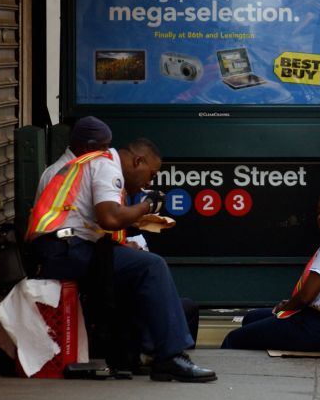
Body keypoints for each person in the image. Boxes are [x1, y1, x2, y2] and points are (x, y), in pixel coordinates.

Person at [26, 136, 217, 382]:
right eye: (151, 174)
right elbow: (110, 218)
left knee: (133, 267)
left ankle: (130, 356)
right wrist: (147, 206)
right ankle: (170, 357)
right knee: (152, 266)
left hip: (59, 247)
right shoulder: (108, 167)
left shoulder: (94, 163)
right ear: (138, 161)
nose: (150, 182)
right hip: (62, 250)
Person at [221, 188, 320, 351]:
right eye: (319, 212)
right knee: (251, 318)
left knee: (233, 339)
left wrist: (285, 307)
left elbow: (305, 297)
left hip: (316, 327)